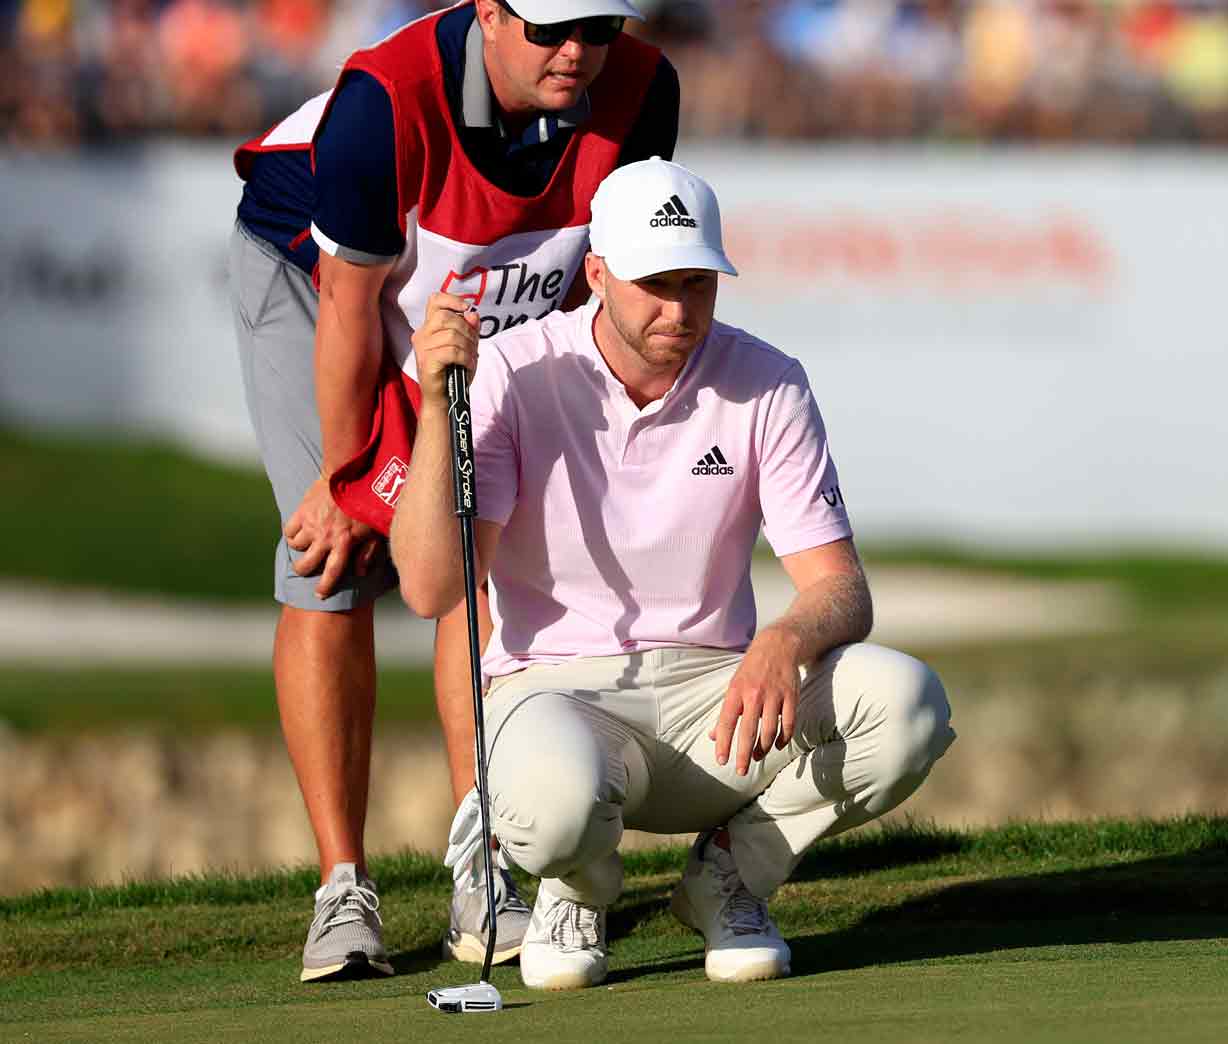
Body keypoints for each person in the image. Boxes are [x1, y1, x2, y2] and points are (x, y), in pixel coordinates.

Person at [390, 158, 956, 990]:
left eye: (697, 283)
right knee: (551, 809)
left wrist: (785, 639)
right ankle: (575, 890)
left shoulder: (768, 381)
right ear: (595, 275)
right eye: (654, 284)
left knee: (907, 705)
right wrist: (439, 409)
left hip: (717, 704)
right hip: (556, 692)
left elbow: (842, 587)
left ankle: (730, 878)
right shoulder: (514, 369)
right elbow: (430, 588)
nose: (679, 310)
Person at [228, 0, 680, 982]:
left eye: (598, 29)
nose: (577, 52)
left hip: (479, 306)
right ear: (488, 12)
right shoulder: (384, 101)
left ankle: (485, 865)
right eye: (550, 29)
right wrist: (351, 480)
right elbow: (352, 307)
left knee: (483, 549)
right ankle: (342, 889)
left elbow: (592, 280)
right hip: (317, 284)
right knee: (333, 563)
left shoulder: (643, 91)